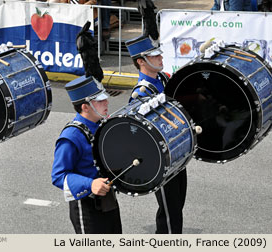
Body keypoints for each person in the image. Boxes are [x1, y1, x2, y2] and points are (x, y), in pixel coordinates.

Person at [125, 35, 186, 234]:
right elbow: (134, 132)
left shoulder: (164, 79)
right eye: (154, 55)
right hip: (161, 160)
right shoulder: (141, 93)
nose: (160, 57)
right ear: (141, 61)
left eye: (159, 53)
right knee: (170, 214)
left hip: (177, 152)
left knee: (177, 208)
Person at [51, 75, 122, 234]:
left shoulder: (102, 125)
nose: (106, 102)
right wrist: (90, 184)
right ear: (85, 107)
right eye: (100, 100)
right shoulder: (71, 137)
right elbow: (58, 175)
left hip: (108, 201)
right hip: (87, 206)